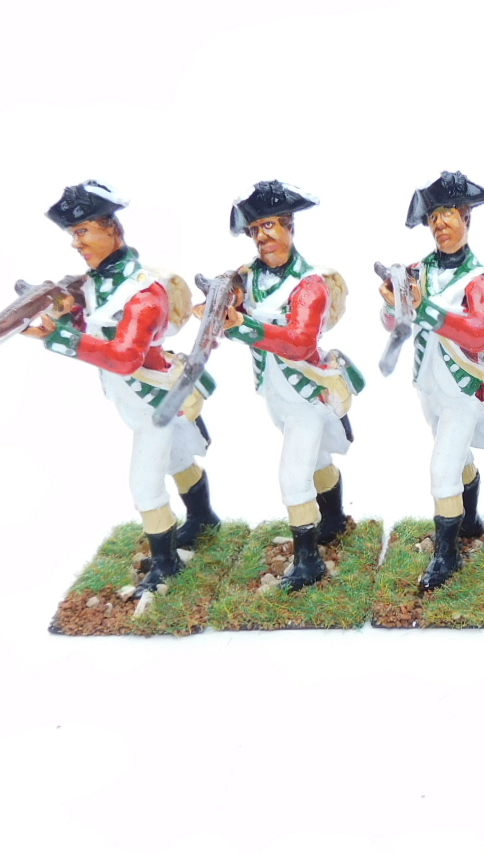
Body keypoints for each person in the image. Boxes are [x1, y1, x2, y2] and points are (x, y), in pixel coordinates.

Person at [24, 181, 220, 598]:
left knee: (144, 486)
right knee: (179, 460)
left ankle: (166, 564)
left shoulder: (144, 294)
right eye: (72, 234)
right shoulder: (93, 284)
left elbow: (125, 356)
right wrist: (64, 316)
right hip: (132, 400)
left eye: (82, 231)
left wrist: (57, 337)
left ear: (110, 229)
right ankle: (203, 519)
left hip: (156, 402)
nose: (76, 243)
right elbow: (92, 327)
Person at [219, 180, 364, 591]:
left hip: (306, 393)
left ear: (289, 227)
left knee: (293, 477)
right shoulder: (249, 278)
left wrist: (243, 326)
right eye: (255, 229)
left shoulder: (309, 285)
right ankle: (332, 520)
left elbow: (299, 342)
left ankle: (308, 562)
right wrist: (221, 313)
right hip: (274, 391)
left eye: (269, 226)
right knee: (317, 459)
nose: (261, 236)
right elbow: (237, 317)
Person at [379, 171, 484, 590]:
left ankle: (447, 554)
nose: (439, 223)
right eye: (433, 216)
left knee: (441, 469)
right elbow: (393, 323)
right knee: (455, 456)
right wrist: (394, 303)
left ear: (465, 216)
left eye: (448, 214)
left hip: (463, 388)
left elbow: (479, 333)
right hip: (428, 385)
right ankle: (469, 520)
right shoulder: (416, 271)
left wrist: (425, 308)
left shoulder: (482, 279)